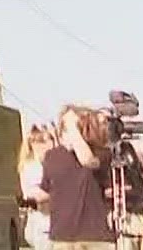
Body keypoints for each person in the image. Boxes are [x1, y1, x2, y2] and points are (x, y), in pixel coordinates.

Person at [38, 107, 115, 250]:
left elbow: (87, 160)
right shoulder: (51, 156)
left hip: (96, 237)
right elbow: (47, 190)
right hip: (61, 238)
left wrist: (74, 129)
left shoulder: (101, 152)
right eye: (67, 128)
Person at [19, 123, 57, 250]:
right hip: (43, 222)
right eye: (45, 141)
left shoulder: (42, 165)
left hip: (48, 223)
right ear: (34, 144)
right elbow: (35, 195)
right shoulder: (33, 167)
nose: (50, 145)